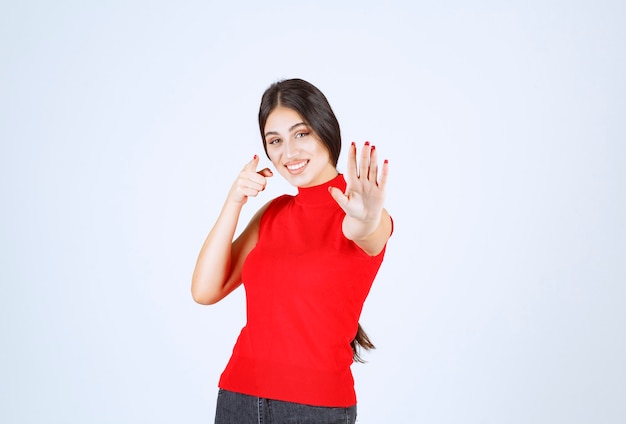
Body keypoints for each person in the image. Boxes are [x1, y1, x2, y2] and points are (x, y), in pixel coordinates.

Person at [191, 78, 393, 424]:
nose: (289, 153)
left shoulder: (360, 212)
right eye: (276, 141)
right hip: (238, 397)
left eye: (301, 134)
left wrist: (366, 218)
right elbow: (205, 290)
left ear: (325, 129)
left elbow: (366, 232)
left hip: (314, 409)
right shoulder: (273, 213)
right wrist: (233, 202)